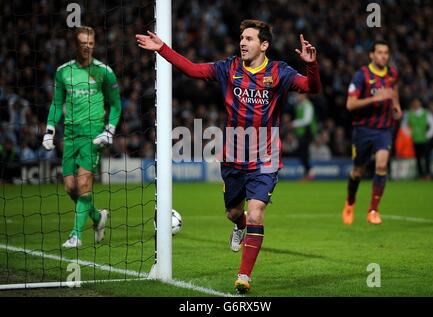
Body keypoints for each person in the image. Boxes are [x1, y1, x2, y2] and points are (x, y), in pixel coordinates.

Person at [136, 19, 321, 294]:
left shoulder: (279, 72)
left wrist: (311, 65)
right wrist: (162, 48)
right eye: (242, 38)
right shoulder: (229, 68)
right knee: (234, 212)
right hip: (233, 156)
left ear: (264, 45)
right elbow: (193, 70)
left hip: (265, 158)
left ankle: (244, 275)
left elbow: (312, 88)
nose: (243, 43)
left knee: (256, 213)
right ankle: (239, 225)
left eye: (249, 38)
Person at [42, 26, 122, 248]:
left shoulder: (104, 72)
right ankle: (97, 217)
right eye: (83, 43)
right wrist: (50, 130)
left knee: (84, 182)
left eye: (91, 43)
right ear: (75, 45)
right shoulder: (63, 72)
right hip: (70, 136)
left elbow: (116, 104)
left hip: (92, 135)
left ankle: (76, 235)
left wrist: (109, 131)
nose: (87, 47)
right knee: (70, 187)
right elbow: (57, 103)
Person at [342, 40, 402, 225]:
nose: (383, 56)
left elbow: (394, 89)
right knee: (357, 172)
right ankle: (350, 201)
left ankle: (373, 210)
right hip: (363, 130)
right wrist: (373, 98)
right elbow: (350, 104)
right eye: (380, 52)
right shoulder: (362, 75)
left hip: (384, 129)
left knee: (382, 165)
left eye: (386, 52)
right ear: (372, 55)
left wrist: (396, 105)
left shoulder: (392, 73)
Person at [402, 98, 433, 179]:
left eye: (417, 103)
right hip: (415, 140)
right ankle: (421, 175)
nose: (415, 104)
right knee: (418, 158)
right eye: (414, 103)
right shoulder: (409, 114)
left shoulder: (426, 113)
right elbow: (404, 126)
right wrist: (409, 134)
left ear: (420, 103)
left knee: (427, 157)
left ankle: (428, 174)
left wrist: (428, 134)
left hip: (425, 140)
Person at [291, 93, 317, 179]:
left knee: (304, 152)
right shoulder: (300, 105)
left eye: (299, 95)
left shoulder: (307, 105)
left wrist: (293, 124)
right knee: (303, 153)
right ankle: (308, 172)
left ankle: (309, 172)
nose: (297, 97)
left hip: (307, 132)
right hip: (301, 133)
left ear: (304, 96)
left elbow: (307, 120)